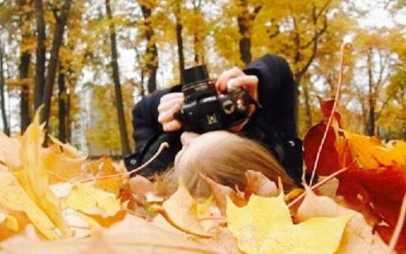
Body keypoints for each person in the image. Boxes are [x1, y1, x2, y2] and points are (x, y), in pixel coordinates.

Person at [124, 54, 303, 193]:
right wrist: (250, 96)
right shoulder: (281, 158)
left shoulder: (154, 171)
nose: (186, 137)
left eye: (183, 149)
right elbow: (278, 67)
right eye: (227, 133)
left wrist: (175, 106)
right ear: (250, 143)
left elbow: (141, 112)